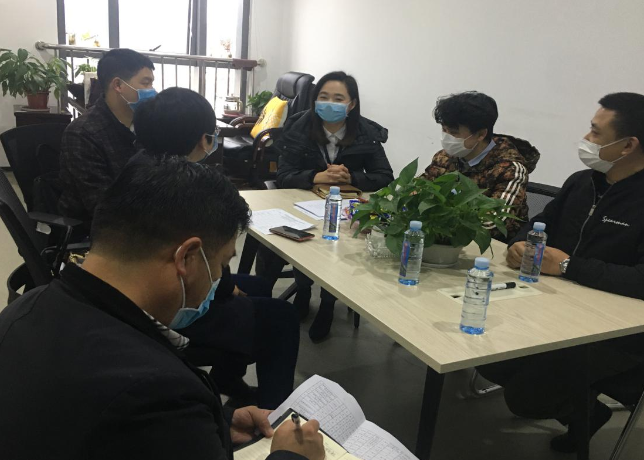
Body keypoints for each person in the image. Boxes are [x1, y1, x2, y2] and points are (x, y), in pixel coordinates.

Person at [0, 158, 324, 460]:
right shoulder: (161, 393)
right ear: (187, 257)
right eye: (223, 264)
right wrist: (291, 456)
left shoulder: (23, 310)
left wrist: (219, 422)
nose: (220, 278)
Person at [478, 92, 644, 452]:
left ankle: (587, 414)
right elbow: (539, 224)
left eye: (596, 132)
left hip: (617, 331)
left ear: (628, 145)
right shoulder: (582, 183)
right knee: (485, 352)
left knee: (527, 398)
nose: (586, 138)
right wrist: (519, 244)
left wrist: (567, 266)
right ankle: (578, 407)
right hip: (551, 304)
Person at [132, 87, 300, 409]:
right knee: (282, 318)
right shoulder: (191, 186)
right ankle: (271, 415)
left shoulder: (138, 166)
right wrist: (226, 288)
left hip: (138, 292)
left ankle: (226, 378)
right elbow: (204, 259)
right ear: (203, 140)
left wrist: (228, 286)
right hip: (165, 307)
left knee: (258, 286)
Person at [271, 71, 394, 342]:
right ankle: (303, 292)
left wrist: (351, 178)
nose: (330, 103)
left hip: (345, 207)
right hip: (302, 203)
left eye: (338, 99)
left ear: (352, 104)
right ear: (315, 100)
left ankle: (328, 304)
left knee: (341, 245)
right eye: (323, 97)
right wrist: (316, 176)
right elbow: (283, 176)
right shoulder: (298, 127)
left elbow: (385, 177)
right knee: (302, 242)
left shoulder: (367, 133)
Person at [421, 91, 540, 242]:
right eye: (444, 130)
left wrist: (436, 222)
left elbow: (493, 223)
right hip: (443, 240)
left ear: (481, 134)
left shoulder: (510, 169)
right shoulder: (444, 157)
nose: (447, 137)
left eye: (454, 132)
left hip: (495, 248)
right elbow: (419, 190)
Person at [59, 48, 156, 224]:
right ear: (118, 85)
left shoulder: (146, 124)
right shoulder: (83, 133)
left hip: (143, 217)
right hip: (100, 229)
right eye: (145, 83)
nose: (152, 91)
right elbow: (101, 205)